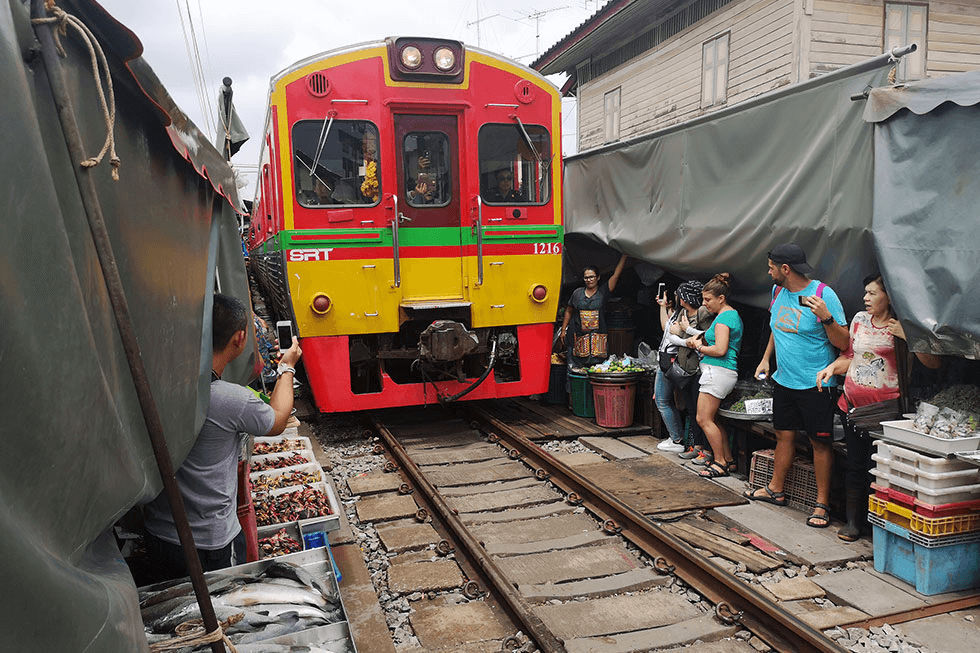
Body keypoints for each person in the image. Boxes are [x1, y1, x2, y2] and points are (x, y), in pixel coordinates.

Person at [142, 294, 302, 581]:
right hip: (209, 543)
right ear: (239, 339)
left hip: (159, 532)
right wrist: (287, 367)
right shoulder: (228, 399)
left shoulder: (159, 385)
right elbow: (278, 419)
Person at [816, 274, 941, 541]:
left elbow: (933, 364)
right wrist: (831, 368)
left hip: (886, 414)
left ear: (889, 297)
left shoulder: (903, 325)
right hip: (851, 406)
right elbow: (851, 356)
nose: (865, 298)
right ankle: (853, 522)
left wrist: (909, 337)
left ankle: (881, 527)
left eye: (872, 293)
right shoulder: (860, 320)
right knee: (855, 466)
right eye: (866, 293)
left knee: (886, 471)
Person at [749, 243, 848, 529]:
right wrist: (767, 359)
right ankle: (775, 489)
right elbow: (775, 326)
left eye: (770, 267)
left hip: (816, 384)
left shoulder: (822, 294)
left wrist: (826, 317)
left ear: (785, 269)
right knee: (784, 435)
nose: (768, 272)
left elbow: (843, 343)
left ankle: (821, 505)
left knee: (820, 442)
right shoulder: (778, 291)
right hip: (785, 381)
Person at [686, 273, 742, 478]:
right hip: (720, 372)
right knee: (714, 419)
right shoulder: (729, 315)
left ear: (721, 298)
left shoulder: (725, 317)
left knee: (703, 418)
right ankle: (728, 459)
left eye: (708, 299)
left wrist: (700, 346)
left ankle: (719, 463)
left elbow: (720, 349)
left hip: (717, 372)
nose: (704, 304)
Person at [654, 280, 706, 453]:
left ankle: (677, 439)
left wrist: (683, 337)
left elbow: (697, 338)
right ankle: (679, 438)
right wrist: (663, 307)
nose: (676, 296)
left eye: (679, 294)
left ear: (685, 298)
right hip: (670, 360)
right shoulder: (680, 312)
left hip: (676, 362)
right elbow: (667, 330)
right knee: (675, 402)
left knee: (663, 400)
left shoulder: (697, 317)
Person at [561, 254, 628, 370]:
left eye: (592, 277)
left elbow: (616, 275)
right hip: (579, 337)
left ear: (598, 277)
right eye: (586, 277)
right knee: (576, 370)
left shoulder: (603, 292)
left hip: (598, 340)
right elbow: (569, 310)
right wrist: (563, 330)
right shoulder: (577, 293)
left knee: (597, 370)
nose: (589, 280)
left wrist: (624, 256)